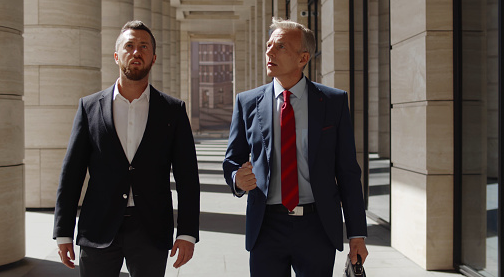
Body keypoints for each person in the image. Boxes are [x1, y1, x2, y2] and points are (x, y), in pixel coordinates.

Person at [223, 17, 368, 276]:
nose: (269, 51)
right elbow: (232, 160)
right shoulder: (247, 102)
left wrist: (357, 233)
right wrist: (236, 179)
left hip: (317, 226)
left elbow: (348, 171)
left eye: (279, 46)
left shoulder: (333, 102)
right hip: (265, 226)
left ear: (303, 58)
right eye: (268, 45)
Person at [53, 20, 200, 277]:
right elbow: (72, 173)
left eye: (144, 46)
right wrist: (63, 231)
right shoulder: (89, 108)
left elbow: (187, 176)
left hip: (151, 229)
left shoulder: (172, 110)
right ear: (116, 56)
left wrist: (187, 232)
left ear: (153, 58)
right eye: (129, 45)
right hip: (98, 227)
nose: (136, 52)